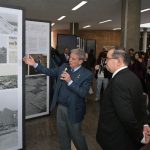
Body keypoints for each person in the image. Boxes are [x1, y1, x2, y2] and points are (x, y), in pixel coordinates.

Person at [23, 48, 93, 150]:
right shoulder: (64, 67)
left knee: (76, 136)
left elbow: (83, 93)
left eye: (73, 59)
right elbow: (50, 72)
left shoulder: (87, 74)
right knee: (62, 135)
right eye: (70, 57)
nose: (70, 60)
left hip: (74, 109)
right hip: (60, 108)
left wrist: (70, 81)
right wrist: (34, 64)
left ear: (81, 61)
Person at [96, 48, 150, 150]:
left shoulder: (119, 81)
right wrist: (145, 123)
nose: (105, 62)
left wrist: (140, 136)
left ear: (119, 61)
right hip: (124, 138)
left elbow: (126, 116)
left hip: (116, 140)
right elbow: (141, 104)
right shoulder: (133, 76)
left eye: (107, 58)